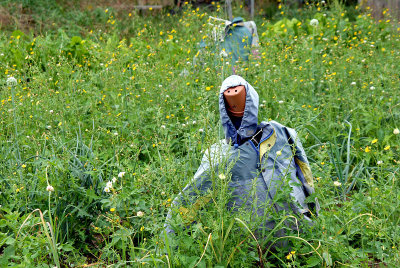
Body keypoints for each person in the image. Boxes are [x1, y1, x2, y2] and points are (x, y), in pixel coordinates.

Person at [164, 75, 319, 243]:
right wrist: (170, 243)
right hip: (250, 249)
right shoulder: (218, 155)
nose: (235, 96)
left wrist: (315, 217)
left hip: (299, 238)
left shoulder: (283, 134)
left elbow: (306, 179)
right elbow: (189, 200)